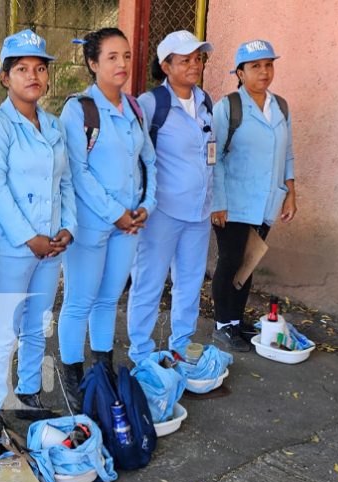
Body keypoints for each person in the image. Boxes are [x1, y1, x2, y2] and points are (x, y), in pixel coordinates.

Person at [0, 29, 76, 429]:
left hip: (51, 244)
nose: (33, 75)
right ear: (4, 76)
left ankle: (29, 393)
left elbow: (64, 182)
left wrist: (67, 227)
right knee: (5, 328)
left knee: (38, 322)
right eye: (22, 69)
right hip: (17, 247)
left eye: (39, 68)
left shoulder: (52, 126)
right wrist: (27, 237)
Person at [58, 27, 157, 412]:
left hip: (130, 223)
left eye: (127, 56)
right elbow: (77, 172)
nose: (122, 64)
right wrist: (116, 214)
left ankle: (103, 371)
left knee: (108, 300)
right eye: (112, 57)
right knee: (80, 301)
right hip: (92, 224)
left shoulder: (134, 108)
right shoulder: (80, 109)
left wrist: (147, 203)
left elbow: (148, 159)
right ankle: (72, 379)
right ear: (93, 63)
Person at [127, 30, 215, 362]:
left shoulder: (205, 101)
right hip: (162, 211)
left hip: (199, 212)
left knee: (190, 284)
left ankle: (181, 346)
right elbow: (134, 155)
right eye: (185, 60)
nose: (194, 65)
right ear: (166, 65)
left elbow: (210, 155)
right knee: (149, 283)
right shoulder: (151, 104)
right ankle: (140, 350)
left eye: (198, 58)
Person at [210, 40, 296, 350]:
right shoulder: (228, 107)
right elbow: (214, 156)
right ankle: (222, 324)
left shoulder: (280, 106)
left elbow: (287, 153)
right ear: (240, 72)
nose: (264, 71)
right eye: (255, 66)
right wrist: (217, 203)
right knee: (231, 261)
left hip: (266, 202)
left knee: (248, 262)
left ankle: (235, 320)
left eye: (268, 64)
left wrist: (290, 192)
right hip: (233, 203)